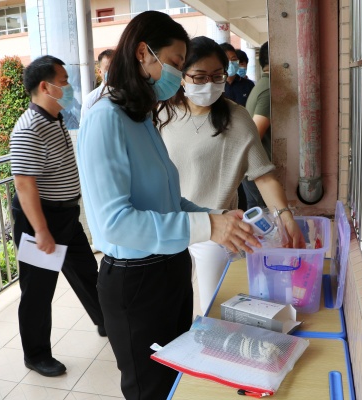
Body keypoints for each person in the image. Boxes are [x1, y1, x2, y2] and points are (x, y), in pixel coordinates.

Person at [77, 11, 263, 400]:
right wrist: (208, 228)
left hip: (171, 269)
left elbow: (169, 200)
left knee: (176, 381)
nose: (178, 76)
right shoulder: (105, 118)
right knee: (151, 388)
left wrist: (216, 217)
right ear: (143, 53)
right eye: (176, 63)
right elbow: (115, 223)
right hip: (136, 282)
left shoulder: (142, 117)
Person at [160, 36, 305, 314]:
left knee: (214, 311)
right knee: (171, 309)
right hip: (171, 226)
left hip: (216, 230)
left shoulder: (236, 118)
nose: (209, 84)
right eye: (200, 76)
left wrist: (285, 217)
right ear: (182, 76)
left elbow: (263, 176)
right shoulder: (163, 113)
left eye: (217, 76)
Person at [10, 55, 106, 378]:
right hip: (41, 218)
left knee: (86, 271)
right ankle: (36, 355)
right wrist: (41, 231)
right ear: (45, 86)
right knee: (38, 290)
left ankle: (105, 321)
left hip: (65, 215)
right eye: (64, 82)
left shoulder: (54, 118)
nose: (69, 87)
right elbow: (24, 185)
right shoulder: (29, 127)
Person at [243, 41, 271, 209]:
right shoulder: (268, 89)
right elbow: (254, 135)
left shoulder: (262, 85)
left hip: (254, 171)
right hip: (259, 173)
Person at [80, 48, 114, 122]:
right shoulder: (91, 100)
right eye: (108, 68)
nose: (113, 72)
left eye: (115, 67)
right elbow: (85, 126)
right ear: (99, 72)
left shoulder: (129, 95)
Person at [220, 42, 254, 107]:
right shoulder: (215, 85)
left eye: (233, 59)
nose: (231, 63)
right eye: (226, 60)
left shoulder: (249, 85)